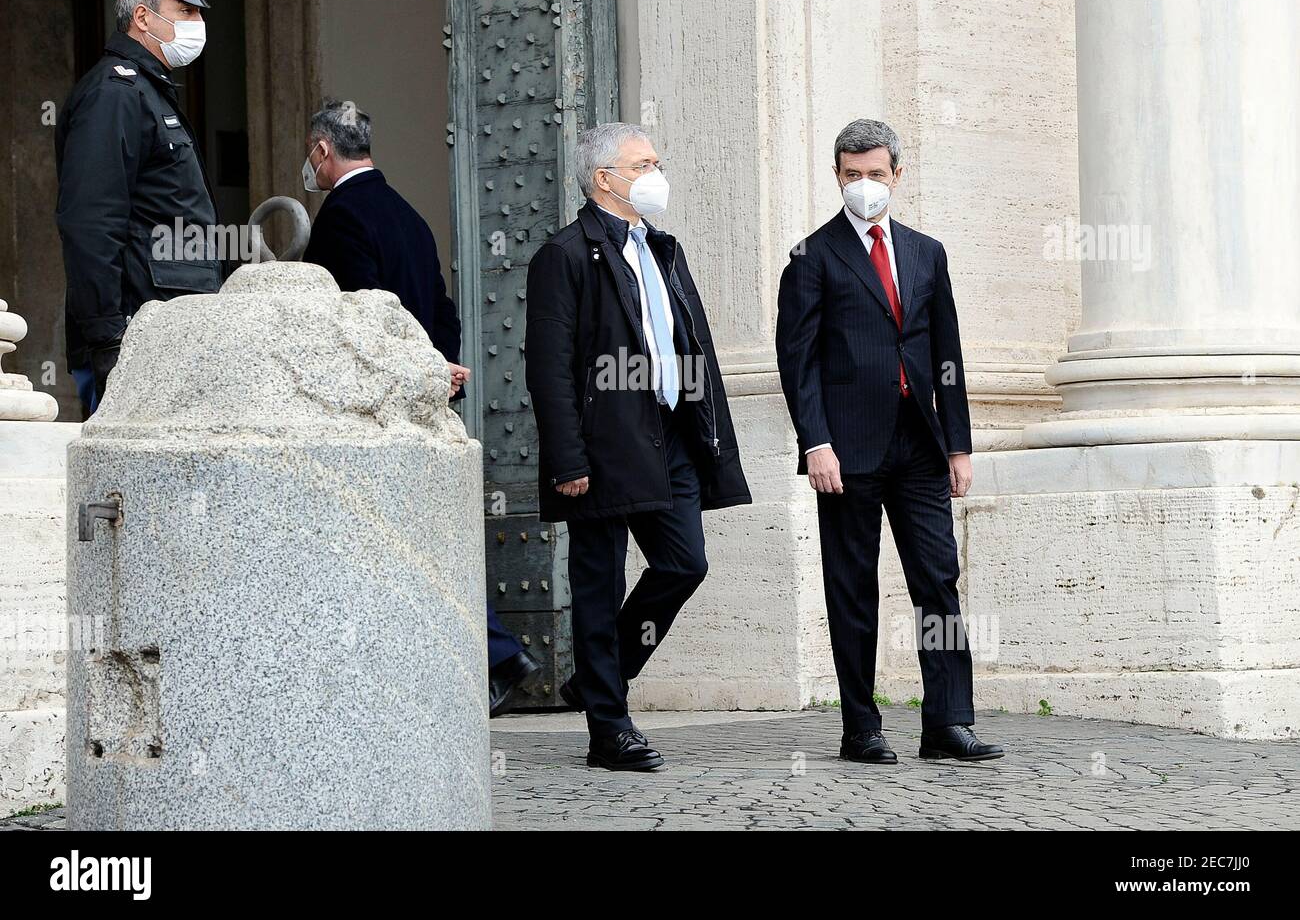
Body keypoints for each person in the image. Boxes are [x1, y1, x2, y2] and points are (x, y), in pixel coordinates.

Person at [775, 118, 1003, 764]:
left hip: (921, 444)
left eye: (876, 174)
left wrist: (959, 444)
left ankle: (948, 722)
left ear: (897, 175)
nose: (865, 185)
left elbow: (947, 351)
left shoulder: (927, 251)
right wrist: (815, 443)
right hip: (846, 452)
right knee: (853, 586)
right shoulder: (811, 256)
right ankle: (861, 728)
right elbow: (799, 361)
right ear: (836, 176)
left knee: (938, 578)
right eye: (852, 175)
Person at [300, 99, 539, 714]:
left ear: (323, 151)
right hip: (426, 401)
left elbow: (351, 323)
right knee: (424, 542)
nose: (310, 165)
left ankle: (482, 659)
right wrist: (441, 373)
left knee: (398, 545)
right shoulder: (408, 215)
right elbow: (443, 311)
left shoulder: (339, 217)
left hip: (375, 410)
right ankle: (493, 657)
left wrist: (410, 377)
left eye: (311, 154)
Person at [525, 122, 751, 770]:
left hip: (669, 434)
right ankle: (609, 728)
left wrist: (706, 425)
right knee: (599, 582)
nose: (656, 173)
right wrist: (566, 457)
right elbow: (548, 366)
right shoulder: (565, 255)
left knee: (684, 563)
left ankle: (599, 678)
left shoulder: (661, 249)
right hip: (601, 445)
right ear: (605, 180)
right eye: (642, 163)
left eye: (656, 161)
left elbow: (687, 341)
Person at [57, 0, 220, 415]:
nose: (197, 26)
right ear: (144, 18)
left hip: (172, 329)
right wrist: (109, 334)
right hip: (136, 336)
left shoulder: (147, 91)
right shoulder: (115, 94)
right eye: (184, 13)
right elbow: (91, 221)